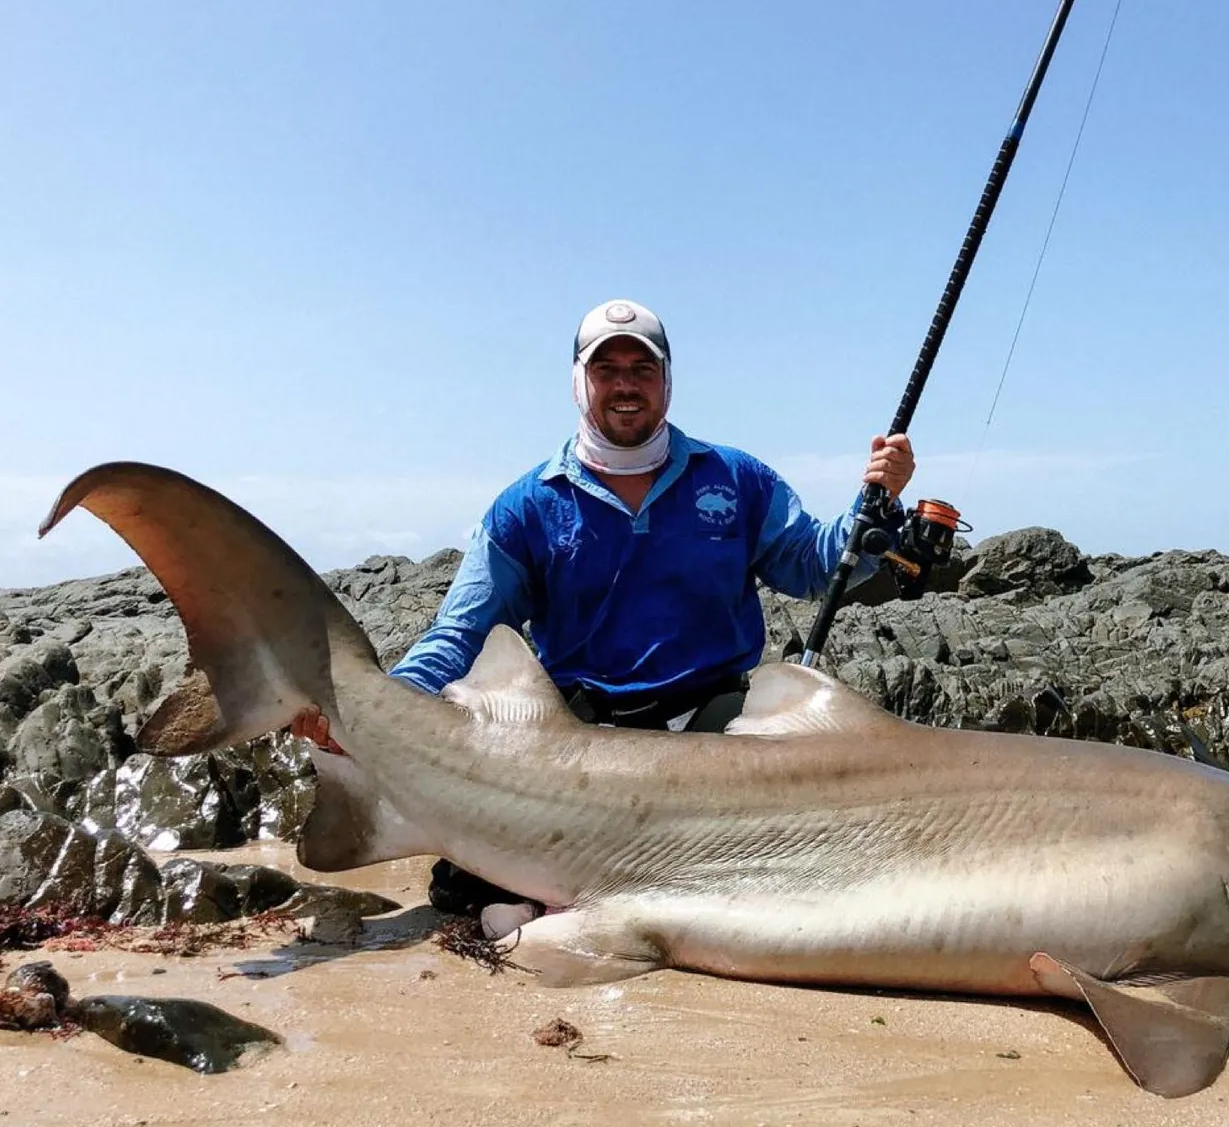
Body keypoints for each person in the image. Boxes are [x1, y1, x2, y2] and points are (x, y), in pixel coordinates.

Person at [291, 298, 915, 932]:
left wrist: (879, 507)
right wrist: (373, 708)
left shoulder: (736, 479)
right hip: (578, 732)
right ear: (578, 381)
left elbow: (813, 564)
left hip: (716, 719)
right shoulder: (526, 507)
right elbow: (460, 633)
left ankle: (569, 905)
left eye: (642, 370)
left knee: (800, 858)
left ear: (667, 381)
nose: (625, 386)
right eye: (606, 369)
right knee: (462, 883)